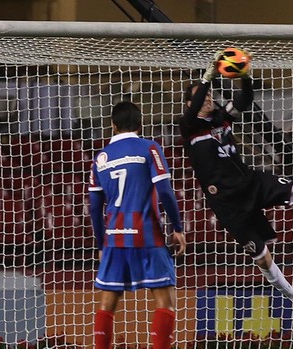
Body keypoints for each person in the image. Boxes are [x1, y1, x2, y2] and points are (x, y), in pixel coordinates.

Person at [179, 51, 293, 320]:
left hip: (251, 182)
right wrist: (208, 77)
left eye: (212, 95)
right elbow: (193, 109)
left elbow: (246, 99)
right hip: (228, 205)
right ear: (191, 103)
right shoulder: (189, 127)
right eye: (204, 97)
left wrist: (245, 76)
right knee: (263, 259)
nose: (209, 99)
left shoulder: (221, 118)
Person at [88, 101, 186, 349]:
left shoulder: (101, 158)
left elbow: (94, 207)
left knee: (107, 304)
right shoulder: (149, 148)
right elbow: (164, 190)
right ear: (141, 124)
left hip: (114, 237)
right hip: (146, 233)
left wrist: (101, 244)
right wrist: (178, 228)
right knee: (165, 301)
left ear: (112, 125)